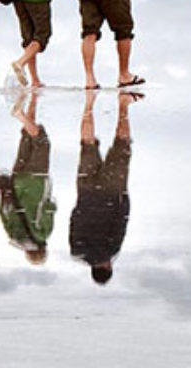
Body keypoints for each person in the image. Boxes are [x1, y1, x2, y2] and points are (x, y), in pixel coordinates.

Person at [70, 90, 140, 284]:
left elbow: (121, 221)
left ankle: (124, 106)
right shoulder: (77, 249)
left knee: (122, 147)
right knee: (87, 145)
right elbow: (73, 221)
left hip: (111, 192)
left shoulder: (111, 250)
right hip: (85, 192)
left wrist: (124, 197)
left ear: (108, 268)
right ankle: (88, 104)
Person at [0, 90, 56, 264]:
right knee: (28, 137)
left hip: (36, 182)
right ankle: (32, 98)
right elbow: (3, 211)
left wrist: (51, 204)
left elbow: (48, 209)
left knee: (42, 141)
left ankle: (20, 114)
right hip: (16, 182)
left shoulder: (43, 233)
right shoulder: (13, 234)